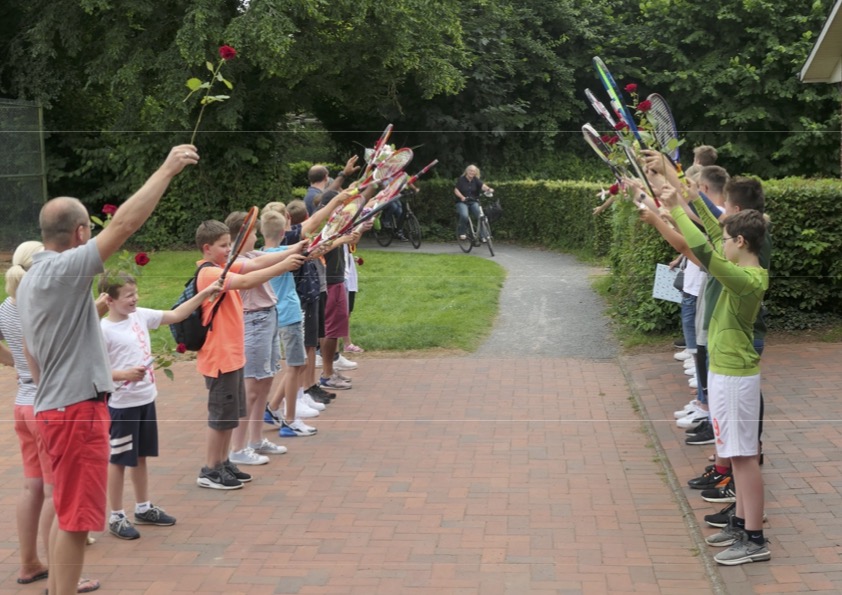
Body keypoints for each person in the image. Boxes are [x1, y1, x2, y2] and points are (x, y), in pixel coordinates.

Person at [16, 144, 199, 595]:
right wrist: (166, 167)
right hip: (76, 413)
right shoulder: (64, 271)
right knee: (77, 522)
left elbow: (34, 356)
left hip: (54, 409)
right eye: (88, 232)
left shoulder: (31, 280)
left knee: (66, 512)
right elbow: (125, 224)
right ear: (80, 233)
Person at [660, 181, 770, 566]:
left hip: (736, 377)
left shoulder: (747, 280)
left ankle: (754, 538)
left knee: (744, 457)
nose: (721, 242)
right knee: (735, 453)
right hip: (726, 374)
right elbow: (713, 232)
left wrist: (675, 208)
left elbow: (705, 250)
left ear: (740, 242)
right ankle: (742, 523)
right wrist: (687, 199)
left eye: (727, 239)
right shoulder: (742, 264)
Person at [99, 272, 221, 539]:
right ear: (109, 300)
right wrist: (122, 375)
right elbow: (94, 371)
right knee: (118, 459)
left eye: (135, 293)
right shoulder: (102, 330)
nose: (135, 298)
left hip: (145, 399)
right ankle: (116, 515)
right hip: (122, 404)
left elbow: (175, 315)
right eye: (129, 295)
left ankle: (143, 507)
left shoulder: (140, 315)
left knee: (141, 455)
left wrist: (205, 293)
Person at [193, 218, 306, 490]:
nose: (228, 249)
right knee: (220, 416)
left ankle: (222, 462)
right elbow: (246, 281)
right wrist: (283, 265)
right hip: (219, 358)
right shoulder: (210, 273)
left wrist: (295, 249)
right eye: (223, 246)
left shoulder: (223, 265)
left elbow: (255, 264)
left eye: (230, 244)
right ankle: (210, 469)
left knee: (230, 413)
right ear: (206, 248)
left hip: (232, 355)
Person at [222, 212, 289, 466]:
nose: (256, 236)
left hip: (268, 318)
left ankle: (256, 439)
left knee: (266, 380)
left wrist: (304, 247)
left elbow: (275, 255)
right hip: (253, 322)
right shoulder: (235, 260)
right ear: (241, 235)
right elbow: (262, 267)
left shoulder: (251, 254)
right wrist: (287, 262)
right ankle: (238, 448)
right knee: (251, 388)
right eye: (252, 233)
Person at [454, 165, 493, 241]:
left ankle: (483, 235)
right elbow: (456, 190)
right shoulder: (461, 179)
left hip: (473, 201)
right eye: (470, 170)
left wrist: (488, 189)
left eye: (473, 171)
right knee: (464, 215)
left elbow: (482, 186)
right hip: (462, 202)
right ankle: (462, 232)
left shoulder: (476, 180)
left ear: (476, 173)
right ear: (467, 171)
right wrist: (462, 197)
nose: (472, 172)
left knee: (480, 216)